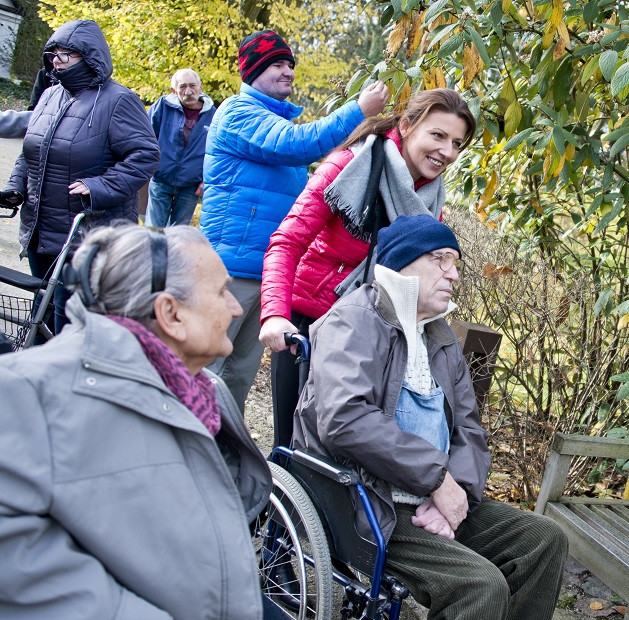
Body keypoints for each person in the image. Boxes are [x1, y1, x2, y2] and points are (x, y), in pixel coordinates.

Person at [0, 223, 330, 620]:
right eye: (221, 293)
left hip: (209, 604)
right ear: (171, 314)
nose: (237, 306)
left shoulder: (200, 388)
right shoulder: (24, 389)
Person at [293, 214, 568, 620]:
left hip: (428, 497)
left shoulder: (438, 337)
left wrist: (455, 494)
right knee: (478, 589)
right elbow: (344, 419)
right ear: (400, 265)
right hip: (366, 502)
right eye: (439, 259)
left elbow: (469, 430)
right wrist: (436, 479)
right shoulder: (354, 321)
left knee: (544, 540)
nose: (454, 273)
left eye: (456, 262)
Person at [259, 87, 475, 446]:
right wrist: (274, 314)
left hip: (372, 332)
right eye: (437, 135)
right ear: (406, 125)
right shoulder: (349, 167)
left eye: (456, 143)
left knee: (349, 447)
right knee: (295, 444)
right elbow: (287, 242)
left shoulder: (429, 196)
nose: (447, 152)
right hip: (311, 323)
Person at [201, 28, 389, 413]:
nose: (287, 71)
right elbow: (296, 145)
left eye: (289, 64)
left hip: (269, 272)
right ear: (251, 71)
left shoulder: (275, 120)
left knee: (238, 373)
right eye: (276, 64)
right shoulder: (238, 113)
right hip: (229, 267)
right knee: (207, 366)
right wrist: (358, 110)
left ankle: (221, 454)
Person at [0, 19, 159, 334]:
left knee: (67, 319)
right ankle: (34, 377)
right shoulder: (50, 96)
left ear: (89, 56)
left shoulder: (118, 100)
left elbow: (146, 155)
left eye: (65, 53)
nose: (56, 59)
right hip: (41, 231)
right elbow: (33, 150)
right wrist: (15, 187)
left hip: (89, 234)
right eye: (53, 52)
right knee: (40, 312)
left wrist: (98, 187)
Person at [146, 68, 215, 227]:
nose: (188, 91)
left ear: (200, 87)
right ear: (173, 91)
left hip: (190, 185)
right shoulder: (162, 106)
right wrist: (149, 167)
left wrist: (206, 180)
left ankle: (172, 253)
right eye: (182, 86)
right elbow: (146, 138)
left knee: (178, 234)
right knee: (153, 231)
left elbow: (216, 153)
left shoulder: (213, 115)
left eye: (192, 86)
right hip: (161, 179)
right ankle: (153, 253)